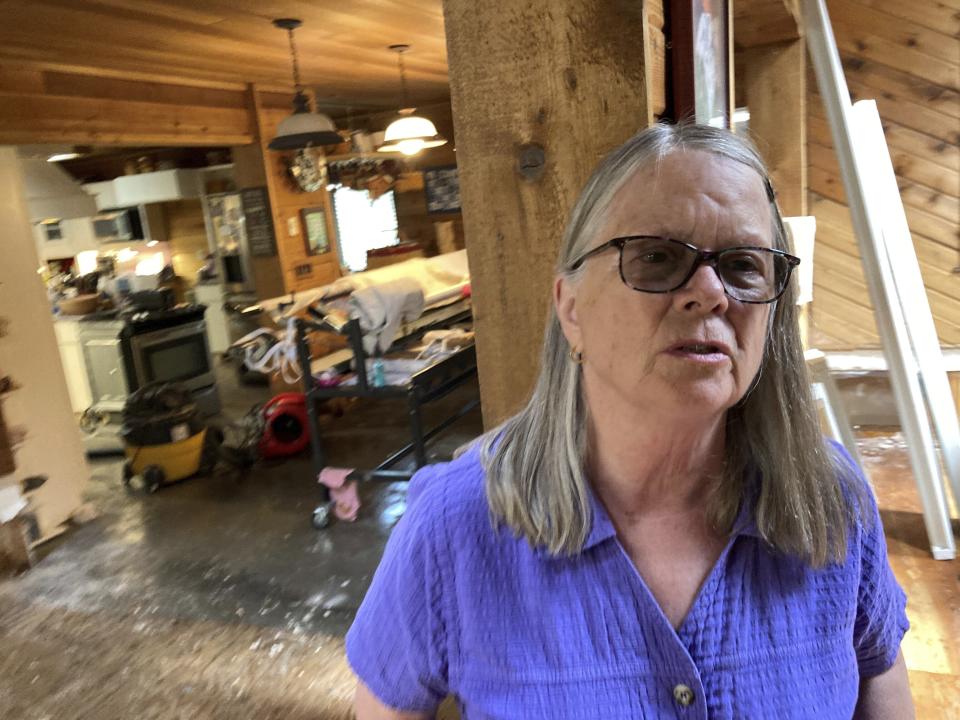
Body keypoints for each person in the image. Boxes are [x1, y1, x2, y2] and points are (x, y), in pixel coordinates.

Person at [346, 123, 914, 719]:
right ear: (571, 309)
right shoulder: (455, 528)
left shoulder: (833, 499)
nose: (710, 293)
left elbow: (882, 685)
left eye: (743, 265)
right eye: (657, 257)